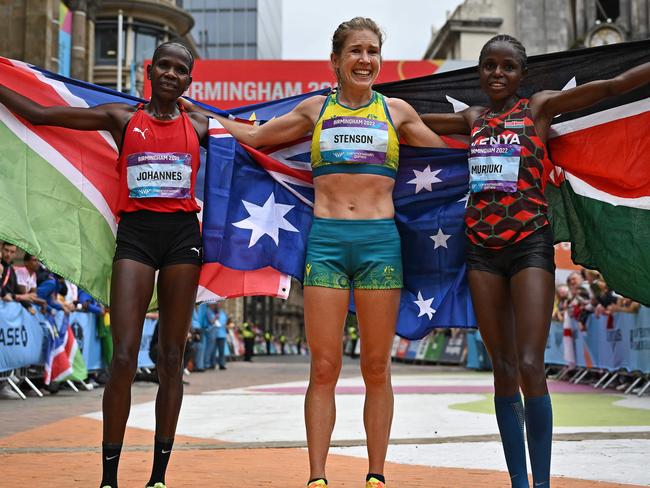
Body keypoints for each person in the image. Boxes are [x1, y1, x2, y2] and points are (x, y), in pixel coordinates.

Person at [185, 16, 444, 488]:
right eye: (355, 51)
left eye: (372, 51)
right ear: (336, 61)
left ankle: (376, 475)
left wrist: (502, 146)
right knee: (323, 366)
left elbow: (447, 162)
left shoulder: (398, 112)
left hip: (379, 244)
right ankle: (317, 476)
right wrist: (204, 117)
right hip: (325, 243)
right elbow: (259, 138)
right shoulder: (314, 110)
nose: (365, 59)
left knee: (376, 366)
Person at [422, 34, 650, 488]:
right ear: (480, 72)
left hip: (529, 245)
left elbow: (614, 85)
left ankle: (541, 483)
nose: (498, 74)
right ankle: (518, 483)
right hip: (481, 250)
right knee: (502, 367)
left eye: (508, 67)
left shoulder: (539, 108)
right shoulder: (472, 118)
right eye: (489, 66)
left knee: (529, 363)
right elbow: (411, 123)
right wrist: (362, 105)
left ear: (522, 75)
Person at [0, 41, 209, 488]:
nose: (172, 74)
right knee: (123, 359)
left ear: (190, 81)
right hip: (135, 238)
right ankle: (109, 479)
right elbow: (40, 115)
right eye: (164, 67)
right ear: (149, 72)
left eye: (181, 69)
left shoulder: (202, 125)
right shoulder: (121, 118)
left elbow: (264, 135)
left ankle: (158, 477)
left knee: (172, 357)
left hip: (182, 241)